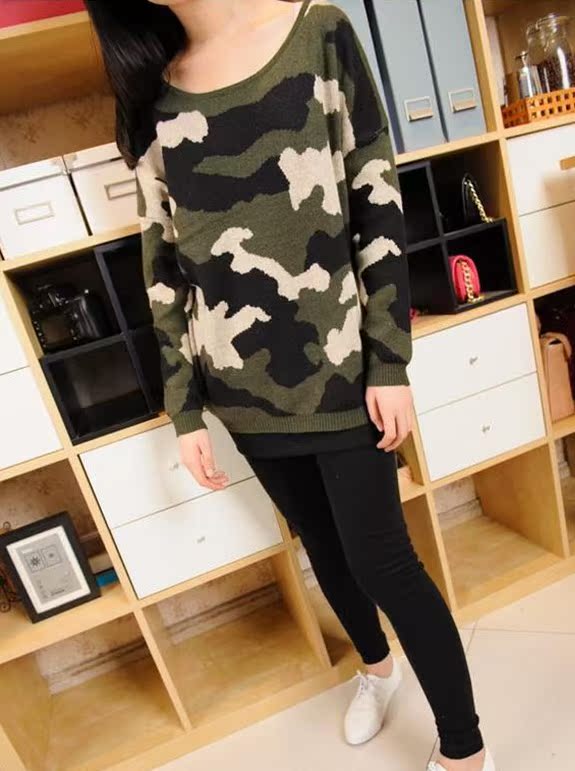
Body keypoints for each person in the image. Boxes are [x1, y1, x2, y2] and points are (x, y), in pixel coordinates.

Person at [86, 2, 494, 769]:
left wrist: (389, 361)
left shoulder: (316, 32)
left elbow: (376, 200)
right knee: (325, 551)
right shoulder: (150, 93)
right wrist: (184, 409)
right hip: (241, 391)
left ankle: (465, 751)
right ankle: (377, 669)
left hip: (342, 371)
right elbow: (162, 267)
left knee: (383, 560)